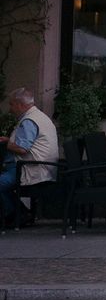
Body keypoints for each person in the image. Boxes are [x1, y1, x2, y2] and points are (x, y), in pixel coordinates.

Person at [0, 87, 58, 228]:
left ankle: (15, 214)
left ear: (20, 104)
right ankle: (21, 213)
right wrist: (10, 140)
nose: (11, 108)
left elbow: (22, 149)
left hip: (30, 168)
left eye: (12, 104)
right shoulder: (39, 116)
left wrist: (8, 144)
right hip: (41, 166)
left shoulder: (28, 121)